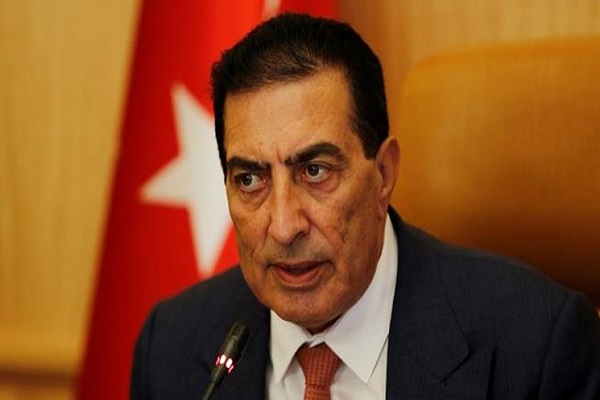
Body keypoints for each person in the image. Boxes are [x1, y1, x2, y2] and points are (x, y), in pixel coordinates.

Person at [130, 13, 600, 400]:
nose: (284, 226)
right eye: (250, 179)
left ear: (384, 175)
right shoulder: (171, 347)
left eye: (315, 171)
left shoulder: (538, 348)